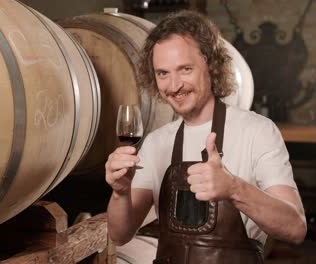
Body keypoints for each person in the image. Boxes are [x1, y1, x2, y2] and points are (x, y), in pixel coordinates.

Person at [105, 10, 307, 263]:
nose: (174, 85)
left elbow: (295, 228)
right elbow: (119, 234)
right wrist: (120, 192)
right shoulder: (156, 142)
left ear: (211, 66)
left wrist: (234, 189)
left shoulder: (258, 131)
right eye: (163, 73)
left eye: (185, 69)